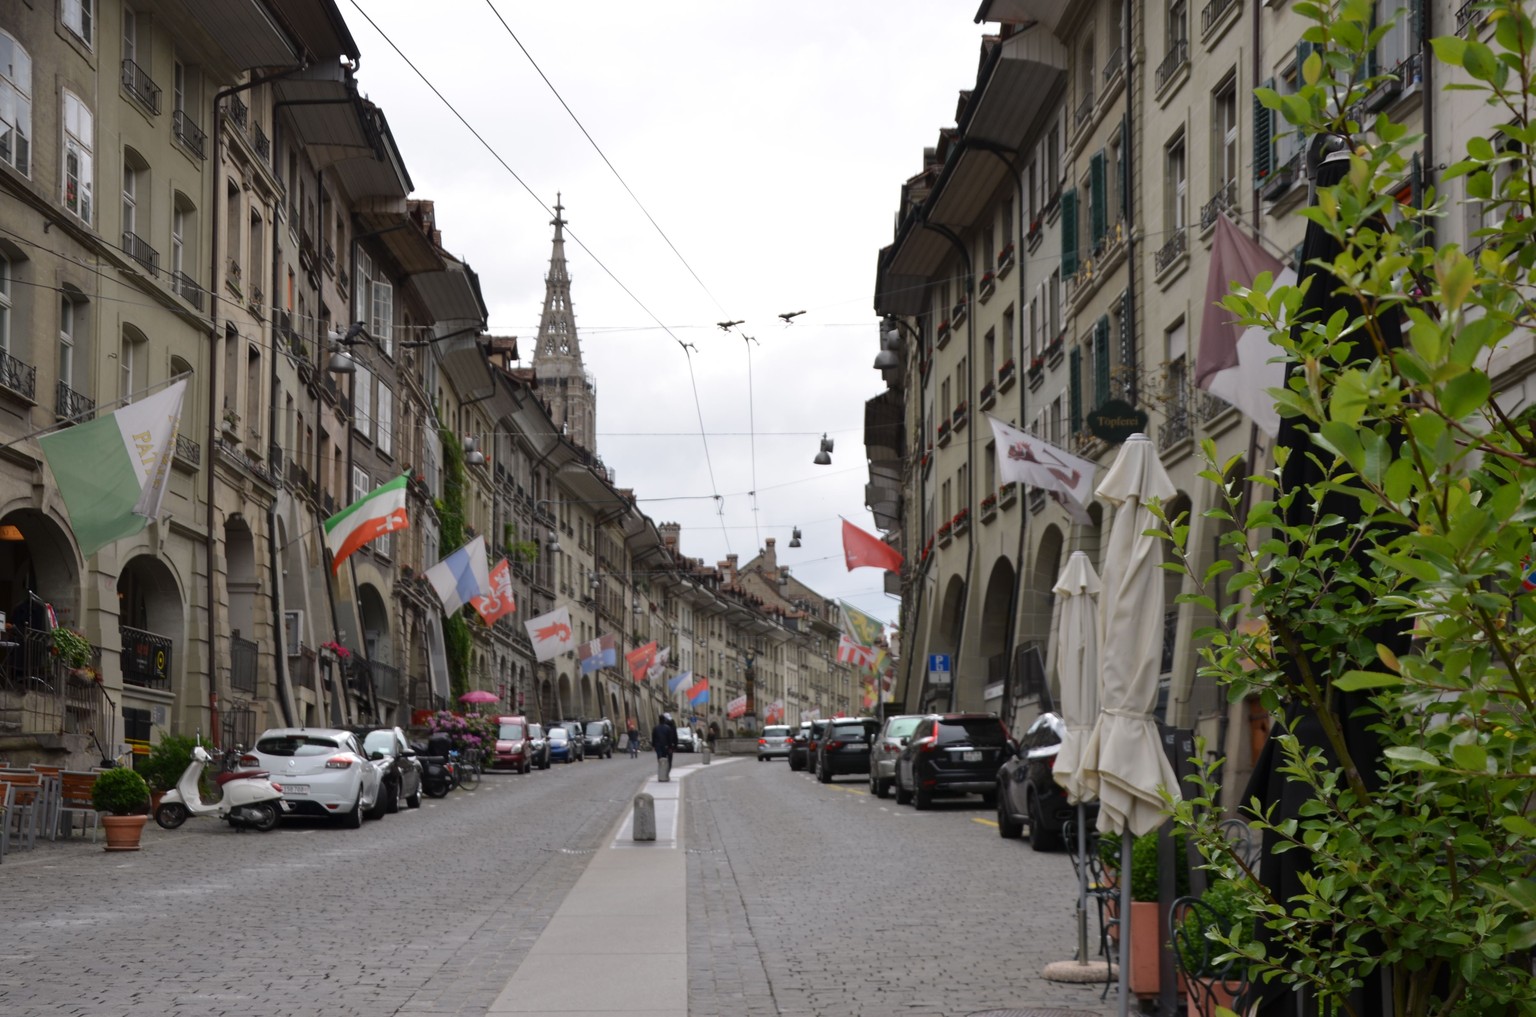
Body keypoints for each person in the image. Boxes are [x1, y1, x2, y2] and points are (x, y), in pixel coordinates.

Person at [651, 712, 677, 781]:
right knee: (667, 761)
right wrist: (671, 747)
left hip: (658, 747)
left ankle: (661, 775)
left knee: (660, 760)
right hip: (666, 747)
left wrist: (653, 746)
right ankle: (665, 775)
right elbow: (670, 739)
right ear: (664, 720)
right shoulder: (668, 728)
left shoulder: (655, 728)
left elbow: (653, 737)